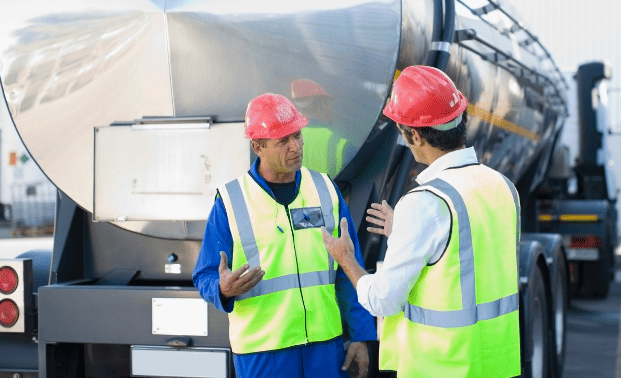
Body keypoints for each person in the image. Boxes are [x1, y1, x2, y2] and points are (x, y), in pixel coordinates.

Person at [322, 65, 522, 378]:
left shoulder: (425, 204)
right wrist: (405, 231)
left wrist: (346, 260)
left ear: (414, 134)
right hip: (496, 365)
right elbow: (470, 256)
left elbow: (382, 300)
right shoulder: (502, 186)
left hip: (443, 368)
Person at [193, 93, 376, 378]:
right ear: (258, 147)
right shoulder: (231, 201)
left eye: (298, 136)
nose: (296, 147)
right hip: (263, 353)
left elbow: (347, 268)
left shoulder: (325, 190)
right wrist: (223, 289)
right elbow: (204, 275)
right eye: (283, 141)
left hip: (324, 347)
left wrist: (361, 335)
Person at [290, 78, 353, 177]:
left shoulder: (285, 142)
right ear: (322, 104)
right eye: (328, 103)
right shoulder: (342, 146)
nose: (331, 109)